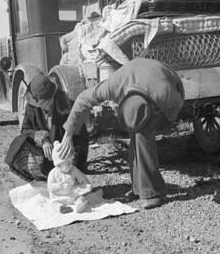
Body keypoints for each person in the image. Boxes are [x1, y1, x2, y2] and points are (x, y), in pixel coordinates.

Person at [57, 58, 185, 209]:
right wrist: (69, 133)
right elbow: (83, 99)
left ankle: (154, 193)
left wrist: (166, 120)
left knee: (143, 138)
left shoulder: (165, 94)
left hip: (165, 82)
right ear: (122, 99)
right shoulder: (114, 85)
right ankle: (139, 188)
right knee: (136, 135)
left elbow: (176, 106)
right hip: (138, 76)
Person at [5, 73, 89, 182]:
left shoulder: (68, 108)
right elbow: (25, 129)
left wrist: (72, 164)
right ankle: (42, 179)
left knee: (68, 185)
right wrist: (42, 138)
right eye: (43, 103)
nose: (47, 105)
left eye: (49, 101)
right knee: (20, 144)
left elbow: (81, 140)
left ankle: (61, 178)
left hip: (64, 158)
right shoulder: (32, 108)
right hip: (44, 156)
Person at [47, 141, 93, 213]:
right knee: (53, 203)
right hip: (59, 195)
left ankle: (80, 205)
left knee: (81, 197)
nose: (71, 164)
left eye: (71, 162)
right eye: (68, 163)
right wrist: (58, 186)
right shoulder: (53, 173)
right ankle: (60, 208)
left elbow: (81, 177)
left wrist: (85, 183)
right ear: (58, 165)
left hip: (72, 192)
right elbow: (50, 187)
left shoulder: (73, 169)